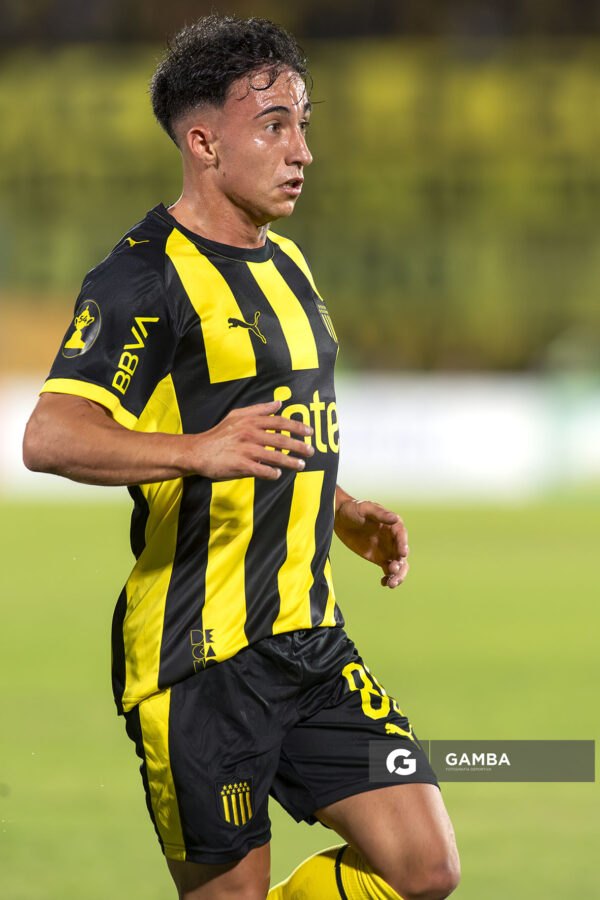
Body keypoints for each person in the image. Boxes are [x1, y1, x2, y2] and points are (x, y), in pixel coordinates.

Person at [23, 14, 460, 900]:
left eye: (304, 123)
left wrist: (340, 509)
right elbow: (50, 435)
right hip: (199, 660)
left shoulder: (288, 263)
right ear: (204, 141)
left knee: (425, 868)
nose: (302, 149)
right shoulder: (142, 277)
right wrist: (193, 451)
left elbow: (269, 430)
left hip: (309, 640)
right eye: (274, 125)